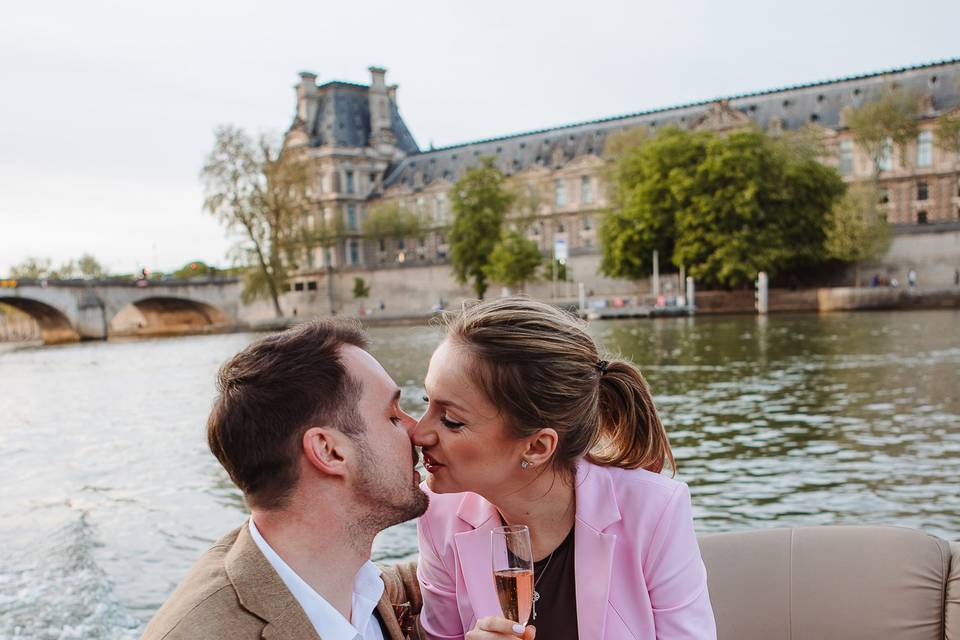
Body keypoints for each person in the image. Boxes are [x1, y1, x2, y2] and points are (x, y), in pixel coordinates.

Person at [412, 298, 716, 640]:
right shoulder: (437, 514)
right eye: (428, 403)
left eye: (451, 420)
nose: (418, 432)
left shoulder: (655, 510)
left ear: (537, 447)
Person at [142, 320, 428, 640]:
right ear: (329, 451)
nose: (417, 430)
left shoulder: (358, 588)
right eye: (392, 416)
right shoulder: (201, 632)